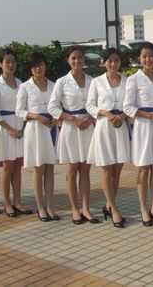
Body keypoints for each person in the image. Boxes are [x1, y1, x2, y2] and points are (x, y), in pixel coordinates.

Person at [48, 46, 98, 224]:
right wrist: (72, 119)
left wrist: (90, 119)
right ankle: (75, 209)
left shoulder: (92, 81)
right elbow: (52, 107)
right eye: (73, 58)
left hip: (88, 127)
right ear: (68, 60)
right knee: (72, 169)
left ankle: (86, 208)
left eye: (80, 58)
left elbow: (98, 104)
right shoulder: (61, 82)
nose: (77, 61)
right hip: (71, 128)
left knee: (85, 169)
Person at [123, 42, 153, 226]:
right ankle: (143, 209)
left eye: (151, 56)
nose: (148, 59)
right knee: (143, 169)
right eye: (144, 56)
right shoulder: (133, 79)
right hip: (143, 127)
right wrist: (151, 116)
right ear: (139, 59)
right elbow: (128, 107)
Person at [86, 48, 130, 228]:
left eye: (116, 60)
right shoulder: (96, 82)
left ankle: (108, 205)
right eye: (109, 61)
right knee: (106, 169)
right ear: (104, 63)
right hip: (104, 127)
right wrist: (105, 113)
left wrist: (123, 116)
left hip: (120, 127)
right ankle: (114, 209)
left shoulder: (127, 81)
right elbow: (89, 105)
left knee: (116, 171)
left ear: (120, 62)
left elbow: (132, 104)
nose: (113, 64)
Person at [16, 52, 59, 222]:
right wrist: (36, 116)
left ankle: (50, 206)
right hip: (35, 130)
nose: (38, 69)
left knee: (50, 169)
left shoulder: (54, 85)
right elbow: (19, 111)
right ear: (30, 69)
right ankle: (40, 207)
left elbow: (58, 106)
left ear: (45, 66)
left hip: (51, 129)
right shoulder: (25, 87)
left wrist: (55, 119)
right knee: (39, 168)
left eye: (40, 65)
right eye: (34, 66)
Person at [0, 49, 30, 217]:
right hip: (6, 129)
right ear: (0, 64)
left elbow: (26, 107)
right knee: (7, 167)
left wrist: (22, 128)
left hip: (20, 128)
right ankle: (7, 203)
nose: (11, 65)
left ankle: (17, 201)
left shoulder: (21, 84)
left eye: (13, 61)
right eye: (7, 62)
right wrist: (10, 130)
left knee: (18, 166)